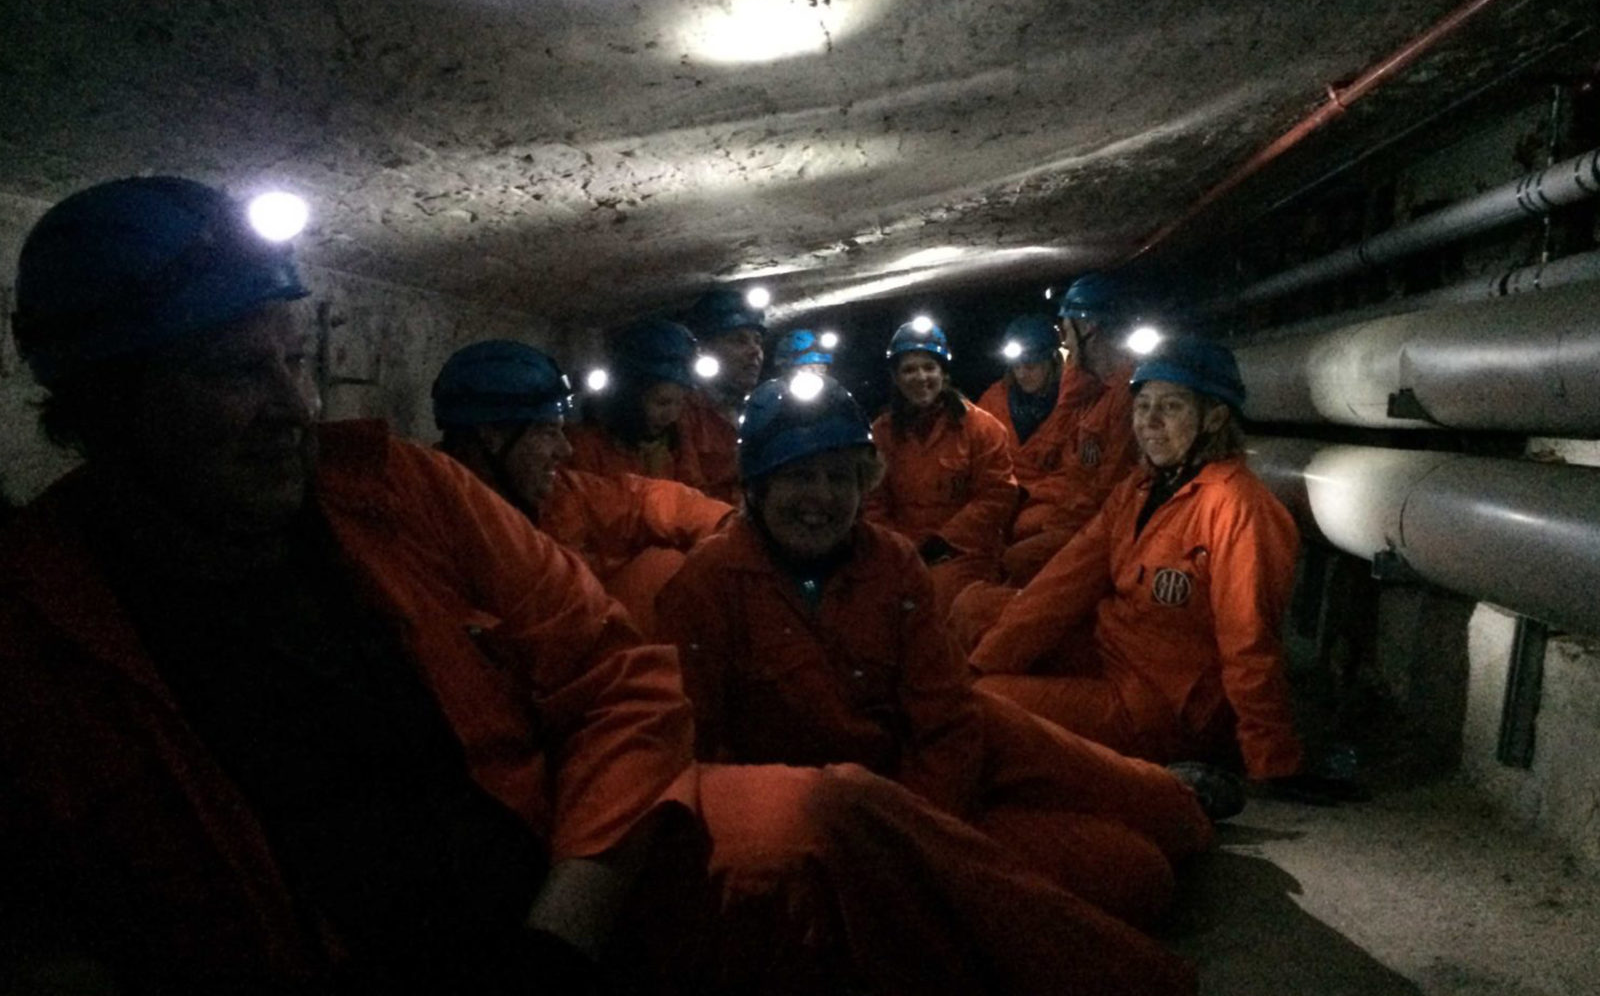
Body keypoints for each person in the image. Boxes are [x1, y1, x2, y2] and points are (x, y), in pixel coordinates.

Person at [0, 177, 1198, 996]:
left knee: (865, 810)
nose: (293, 407)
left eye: (292, 360)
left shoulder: (395, 493)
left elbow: (619, 673)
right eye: (230, 373)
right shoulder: (42, 632)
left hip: (569, 860)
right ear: (105, 405)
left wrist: (563, 931)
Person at [658, 372, 1217, 932]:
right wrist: (901, 840)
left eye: (839, 477)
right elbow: (697, 754)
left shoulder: (890, 563)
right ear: (757, 487)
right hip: (856, 810)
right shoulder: (708, 587)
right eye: (800, 477)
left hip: (936, 773)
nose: (822, 498)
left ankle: (1182, 803)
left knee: (1056, 752)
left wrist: (926, 820)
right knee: (1138, 876)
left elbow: (946, 719)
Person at [965, 336, 1313, 791]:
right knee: (974, 608)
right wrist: (981, 661)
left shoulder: (1238, 509)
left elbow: (1249, 641)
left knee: (985, 702)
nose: (1149, 422)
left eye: (1170, 407)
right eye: (1142, 405)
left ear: (1214, 417)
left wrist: (1272, 760)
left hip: (1162, 703)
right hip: (1111, 654)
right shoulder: (1142, 488)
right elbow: (1061, 585)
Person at [432, 339, 733, 635]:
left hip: (582, 644)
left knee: (668, 561)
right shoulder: (436, 522)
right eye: (548, 432)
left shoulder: (559, 493)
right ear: (492, 435)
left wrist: (732, 527)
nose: (565, 450)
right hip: (542, 668)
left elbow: (643, 500)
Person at [863, 320, 1019, 617]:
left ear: (943, 373)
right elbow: (873, 502)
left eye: (929, 367)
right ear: (896, 377)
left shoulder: (982, 428)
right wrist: (899, 547)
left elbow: (997, 495)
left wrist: (944, 542)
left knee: (935, 599)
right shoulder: (882, 434)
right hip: (901, 549)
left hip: (964, 551)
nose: (920, 377)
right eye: (909, 369)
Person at [999, 272, 1143, 584]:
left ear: (1088, 326)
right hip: (1074, 509)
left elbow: (1106, 491)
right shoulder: (1089, 389)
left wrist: (1057, 527)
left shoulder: (1128, 397)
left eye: (1067, 329)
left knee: (1015, 559)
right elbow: (1059, 452)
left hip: (1099, 529)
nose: (1064, 340)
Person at [976, 312, 1099, 530]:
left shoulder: (1076, 403)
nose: (1022, 374)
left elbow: (1075, 474)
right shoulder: (994, 401)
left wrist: (1029, 493)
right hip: (1001, 497)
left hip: (1050, 503)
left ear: (1052, 362)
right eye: (1017, 366)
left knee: (1029, 528)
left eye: (1030, 367)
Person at [565, 316, 712, 493]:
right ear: (628, 398)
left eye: (680, 403)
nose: (672, 415)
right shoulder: (585, 447)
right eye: (662, 403)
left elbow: (695, 493)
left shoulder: (676, 442)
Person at [679, 289, 766, 503]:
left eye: (758, 341)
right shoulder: (684, 413)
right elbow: (689, 494)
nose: (755, 351)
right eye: (739, 340)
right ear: (704, 350)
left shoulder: (760, 409)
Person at [768, 327, 835, 377]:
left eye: (821, 369)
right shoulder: (773, 390)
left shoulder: (833, 389)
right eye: (810, 369)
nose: (817, 374)